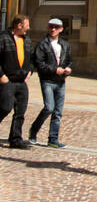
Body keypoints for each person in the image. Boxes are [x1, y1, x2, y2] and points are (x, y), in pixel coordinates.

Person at [29, 17, 73, 148]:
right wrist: (55, 70)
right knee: (49, 107)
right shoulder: (42, 45)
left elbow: (69, 60)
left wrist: (68, 68)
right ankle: (34, 130)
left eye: (56, 27)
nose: (53, 29)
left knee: (58, 112)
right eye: (51, 27)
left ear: (61, 29)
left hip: (60, 82)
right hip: (47, 81)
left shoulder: (65, 45)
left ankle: (53, 139)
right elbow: (39, 64)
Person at [0, 14, 34, 149]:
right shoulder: (3, 37)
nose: (29, 28)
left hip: (21, 81)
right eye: (27, 25)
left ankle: (15, 139)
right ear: (19, 25)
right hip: (7, 80)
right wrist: (1, 75)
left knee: (20, 111)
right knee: (4, 107)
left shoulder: (27, 40)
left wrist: (30, 70)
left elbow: (31, 58)